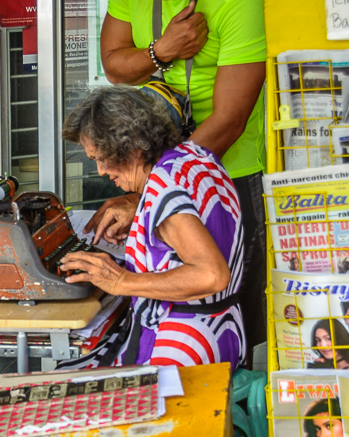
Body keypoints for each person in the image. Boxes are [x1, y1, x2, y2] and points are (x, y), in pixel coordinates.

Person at [93, 0, 267, 357]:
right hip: (160, 174)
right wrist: (161, 52)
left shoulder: (238, 5)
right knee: (163, 307)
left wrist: (151, 190)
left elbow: (230, 120)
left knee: (225, 312)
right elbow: (114, 66)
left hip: (224, 178)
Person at [57, 85, 244, 370]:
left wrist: (121, 281)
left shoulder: (162, 189)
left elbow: (211, 275)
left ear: (128, 148)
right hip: (224, 331)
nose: (101, 172)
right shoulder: (196, 157)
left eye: (98, 159)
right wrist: (142, 234)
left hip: (183, 346)